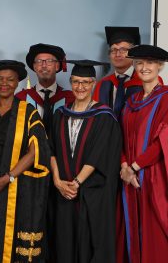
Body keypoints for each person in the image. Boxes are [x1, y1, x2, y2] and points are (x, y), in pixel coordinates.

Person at [0, 60, 50, 262]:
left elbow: (35, 150)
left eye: (10, 79)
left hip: (16, 187)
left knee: (12, 240)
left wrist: (6, 178)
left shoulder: (28, 112)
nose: (4, 83)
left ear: (17, 83)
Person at [49, 60, 121, 263]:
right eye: (76, 82)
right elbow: (51, 150)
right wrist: (57, 181)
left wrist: (77, 183)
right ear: (71, 82)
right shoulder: (60, 115)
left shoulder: (104, 116)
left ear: (94, 84)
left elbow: (98, 154)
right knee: (64, 243)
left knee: (89, 244)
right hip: (63, 191)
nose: (80, 87)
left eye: (86, 82)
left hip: (90, 193)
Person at [119, 45, 168, 263]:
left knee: (154, 233)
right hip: (128, 179)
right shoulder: (131, 102)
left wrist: (135, 167)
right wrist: (124, 167)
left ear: (159, 66)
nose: (144, 67)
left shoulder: (166, 99)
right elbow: (119, 138)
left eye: (149, 63)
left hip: (154, 178)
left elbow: (163, 141)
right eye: (139, 63)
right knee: (131, 231)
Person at [16, 43, 74, 136]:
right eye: (39, 61)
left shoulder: (70, 99)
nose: (44, 65)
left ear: (57, 66)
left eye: (49, 61)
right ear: (34, 67)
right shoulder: (21, 98)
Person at [93, 26, 144, 118]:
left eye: (123, 50)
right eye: (114, 50)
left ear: (133, 53)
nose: (117, 54)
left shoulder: (144, 82)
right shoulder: (102, 84)